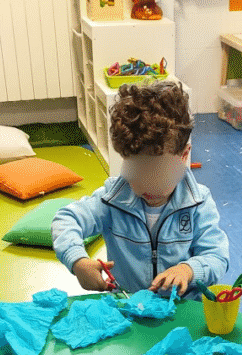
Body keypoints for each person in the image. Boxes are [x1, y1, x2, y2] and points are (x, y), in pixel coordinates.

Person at [52, 81, 228, 296]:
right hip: (128, 308)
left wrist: (189, 269)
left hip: (182, 310)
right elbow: (66, 219)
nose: (144, 182)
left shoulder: (198, 202)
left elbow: (217, 256)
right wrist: (77, 261)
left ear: (184, 156)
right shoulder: (112, 199)